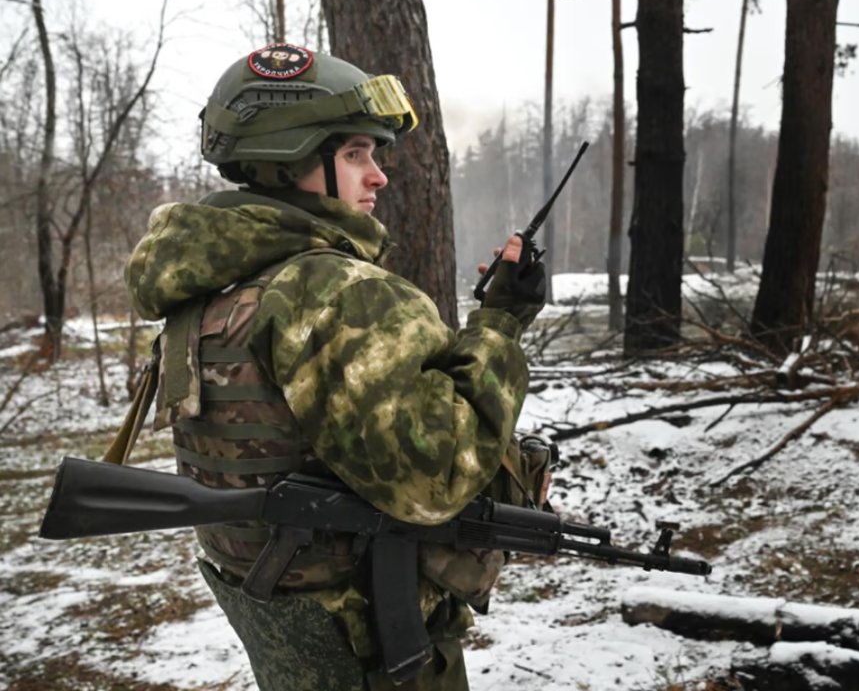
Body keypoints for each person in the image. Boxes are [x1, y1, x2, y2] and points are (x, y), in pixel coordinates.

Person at [124, 42, 547, 690]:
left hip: (284, 634)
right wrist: (500, 324)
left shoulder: (210, 291)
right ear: (290, 156)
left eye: (373, 155)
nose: (377, 175)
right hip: (373, 649)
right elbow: (435, 482)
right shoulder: (336, 293)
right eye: (355, 154)